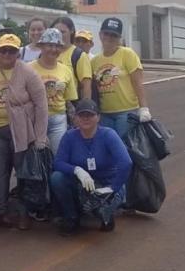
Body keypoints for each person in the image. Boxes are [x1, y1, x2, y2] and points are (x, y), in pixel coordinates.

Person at [0, 34, 49, 230]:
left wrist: (40, 136)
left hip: (21, 130)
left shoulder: (28, 72)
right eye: (3, 50)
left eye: (12, 50)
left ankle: (24, 214)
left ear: (18, 52)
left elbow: (41, 105)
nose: (7, 54)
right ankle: (0, 213)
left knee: (23, 173)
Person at [51, 99, 132, 235]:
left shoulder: (109, 135)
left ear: (98, 117)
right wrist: (77, 170)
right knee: (57, 178)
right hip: (81, 184)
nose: (86, 118)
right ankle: (71, 217)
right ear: (75, 118)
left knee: (106, 209)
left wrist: (112, 188)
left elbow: (126, 162)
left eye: (90, 115)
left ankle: (106, 215)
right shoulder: (69, 136)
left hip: (106, 183)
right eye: (82, 115)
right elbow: (58, 162)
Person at [91, 17, 150, 139]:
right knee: (108, 149)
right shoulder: (94, 61)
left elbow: (137, 82)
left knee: (124, 149)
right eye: (106, 33)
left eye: (114, 35)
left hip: (126, 112)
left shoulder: (127, 54)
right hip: (104, 113)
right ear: (100, 34)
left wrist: (144, 107)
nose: (109, 38)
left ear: (119, 38)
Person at [29, 28, 78, 153]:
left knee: (57, 156)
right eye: (50, 45)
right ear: (41, 46)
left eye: (57, 46)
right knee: (35, 158)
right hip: (34, 119)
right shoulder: (28, 69)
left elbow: (70, 100)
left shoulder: (66, 70)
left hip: (58, 119)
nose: (54, 49)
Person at [52, 17, 93, 100]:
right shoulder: (47, 53)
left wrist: (85, 108)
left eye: (63, 32)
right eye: (56, 32)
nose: (59, 35)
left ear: (71, 31)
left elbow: (86, 86)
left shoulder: (78, 55)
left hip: (72, 105)